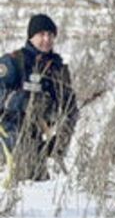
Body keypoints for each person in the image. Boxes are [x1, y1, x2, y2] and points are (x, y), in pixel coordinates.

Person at [0, 15, 79, 183]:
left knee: (38, 183)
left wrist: (60, 141)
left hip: (39, 135)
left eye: (50, 35)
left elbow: (70, 108)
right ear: (31, 36)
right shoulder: (14, 62)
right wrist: (24, 102)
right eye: (41, 34)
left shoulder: (57, 68)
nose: (46, 39)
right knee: (19, 178)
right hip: (9, 131)